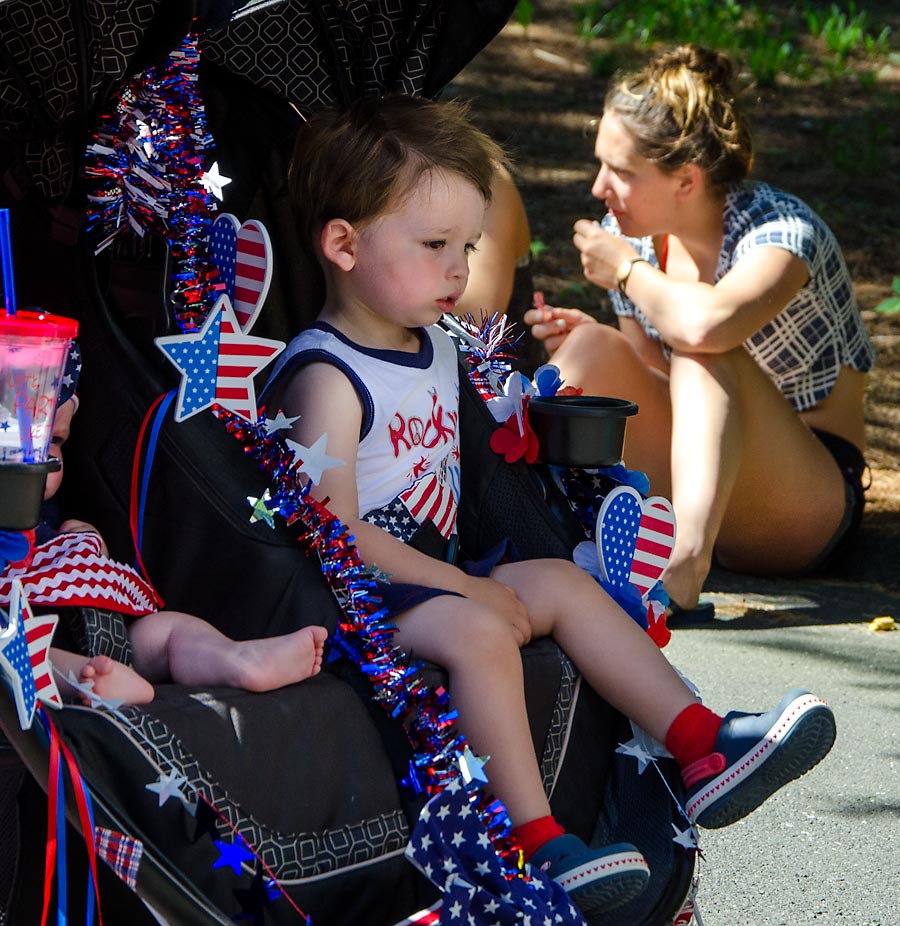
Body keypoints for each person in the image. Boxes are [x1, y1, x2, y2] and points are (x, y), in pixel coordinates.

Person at [261, 94, 837, 921]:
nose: (459, 269)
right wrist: (463, 589)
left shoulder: (429, 346)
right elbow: (335, 535)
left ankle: (701, 744)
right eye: (435, 246)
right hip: (355, 603)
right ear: (344, 245)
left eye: (467, 246)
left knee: (566, 586)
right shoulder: (326, 373)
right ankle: (535, 840)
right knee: (480, 627)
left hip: (434, 576)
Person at [523, 45, 875, 615]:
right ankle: (534, 530)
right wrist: (601, 327)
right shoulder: (635, 237)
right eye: (601, 164)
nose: (598, 187)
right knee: (591, 346)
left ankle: (682, 565)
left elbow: (708, 327)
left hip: (805, 507)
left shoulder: (782, 232)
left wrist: (628, 274)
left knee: (703, 346)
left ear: (686, 179)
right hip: (703, 484)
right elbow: (657, 382)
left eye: (621, 172)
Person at [1, 356, 327, 706]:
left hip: (102, 635)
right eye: (17, 437)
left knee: (167, 631)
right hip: (25, 644)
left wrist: (85, 544)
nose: (40, 457)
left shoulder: (46, 513)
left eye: (56, 440)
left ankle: (235, 659)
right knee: (10, 649)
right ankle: (84, 681)